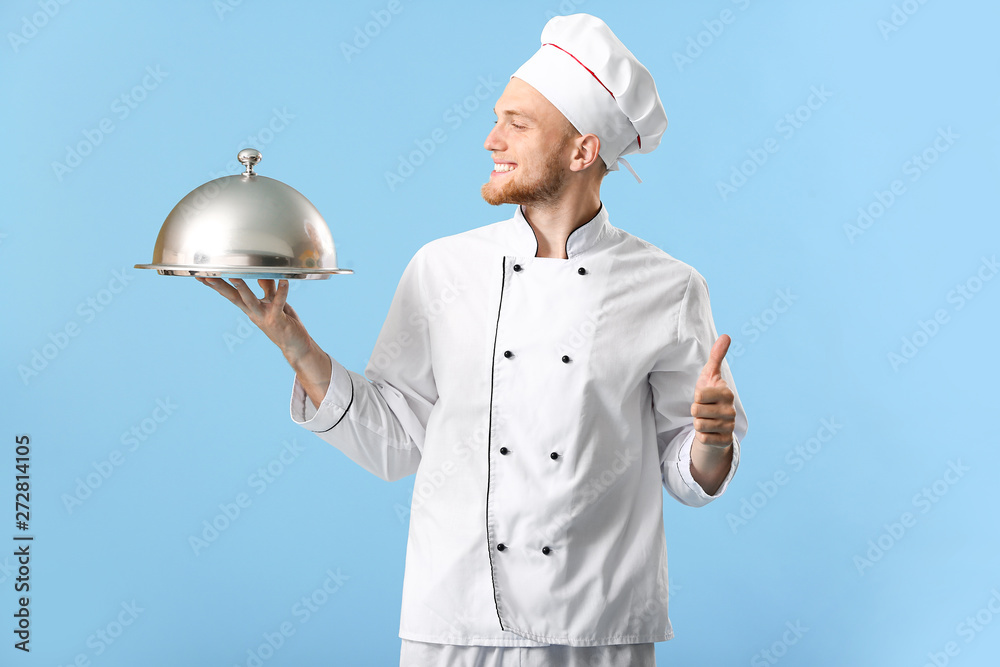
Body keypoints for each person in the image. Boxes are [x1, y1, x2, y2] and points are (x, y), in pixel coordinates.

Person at [199, 13, 748, 667]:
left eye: (518, 123)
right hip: (452, 623)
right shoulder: (441, 268)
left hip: (595, 630)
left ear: (583, 151)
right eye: (497, 117)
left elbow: (688, 474)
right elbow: (396, 439)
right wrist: (294, 343)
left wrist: (712, 442)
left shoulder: (668, 287)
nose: (492, 139)